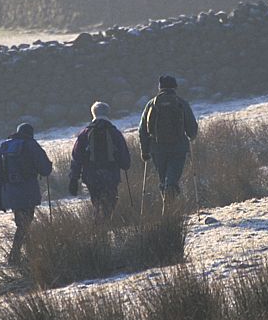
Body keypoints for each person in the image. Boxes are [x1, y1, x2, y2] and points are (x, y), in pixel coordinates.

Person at [0, 123, 53, 265]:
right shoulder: (31, 144)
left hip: (10, 192)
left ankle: (29, 253)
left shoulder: (4, 146)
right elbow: (44, 169)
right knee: (25, 223)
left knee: (22, 222)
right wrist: (48, 167)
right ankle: (15, 256)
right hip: (28, 190)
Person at [139, 75, 198, 208]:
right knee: (172, 178)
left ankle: (167, 208)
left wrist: (145, 151)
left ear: (160, 87)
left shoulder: (151, 104)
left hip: (157, 148)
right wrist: (191, 137)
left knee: (163, 178)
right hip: (178, 147)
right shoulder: (181, 103)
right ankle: (170, 204)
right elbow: (192, 128)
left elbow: (142, 130)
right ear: (175, 87)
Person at [69, 102, 131, 219]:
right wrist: (125, 164)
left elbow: (76, 157)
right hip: (111, 175)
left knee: (96, 203)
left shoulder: (85, 133)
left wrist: (74, 178)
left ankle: (98, 228)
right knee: (110, 204)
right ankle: (104, 226)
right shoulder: (114, 132)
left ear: (93, 114)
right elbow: (124, 156)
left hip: (91, 176)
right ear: (108, 113)